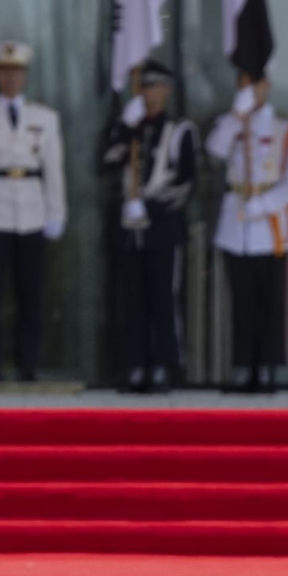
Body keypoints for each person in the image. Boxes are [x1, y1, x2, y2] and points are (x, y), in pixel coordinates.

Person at [0, 39, 67, 383]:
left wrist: (56, 212)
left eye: (16, 71)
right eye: (4, 71)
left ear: (25, 74)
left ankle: (28, 364)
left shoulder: (45, 117)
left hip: (33, 212)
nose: (10, 77)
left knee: (31, 293)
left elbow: (54, 169)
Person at [97, 61, 199, 394]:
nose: (148, 93)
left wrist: (151, 207)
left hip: (162, 228)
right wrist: (125, 127)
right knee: (133, 301)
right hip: (130, 231)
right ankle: (136, 365)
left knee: (163, 299)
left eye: (154, 86)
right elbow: (107, 161)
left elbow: (186, 182)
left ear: (166, 90)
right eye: (143, 87)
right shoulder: (129, 128)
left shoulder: (179, 130)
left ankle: (165, 366)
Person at [206, 74, 288, 393]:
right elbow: (214, 149)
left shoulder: (285, 127)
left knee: (271, 301)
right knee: (241, 300)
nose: (250, 90)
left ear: (267, 86)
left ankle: (267, 368)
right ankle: (242, 366)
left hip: (270, 223)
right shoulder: (231, 121)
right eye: (245, 85)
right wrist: (237, 115)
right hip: (237, 221)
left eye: (256, 85)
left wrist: (263, 204)